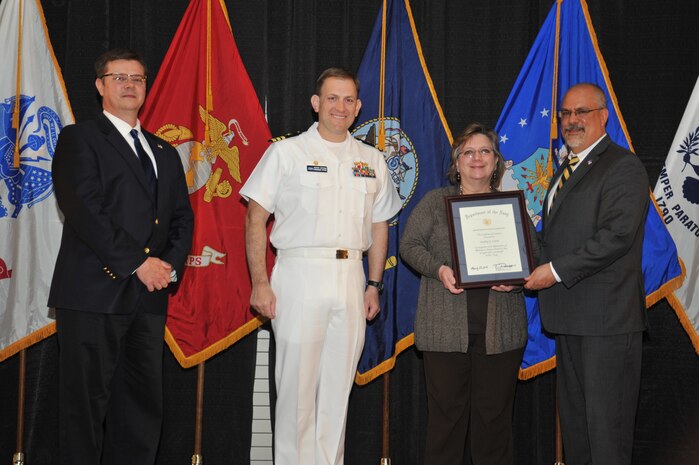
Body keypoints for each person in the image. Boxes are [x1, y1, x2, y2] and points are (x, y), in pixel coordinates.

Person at [240, 67, 401, 465]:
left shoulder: (372, 160)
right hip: (299, 273)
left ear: (359, 106)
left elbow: (379, 226)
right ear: (316, 103)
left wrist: (373, 284)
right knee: (296, 390)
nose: (340, 107)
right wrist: (260, 283)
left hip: (351, 277)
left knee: (336, 390)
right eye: (332, 98)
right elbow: (254, 218)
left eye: (348, 100)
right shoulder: (286, 152)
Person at [48, 48, 194, 465]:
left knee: (141, 412)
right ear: (100, 86)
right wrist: (139, 263)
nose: (130, 85)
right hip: (93, 295)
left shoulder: (164, 151)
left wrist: (166, 267)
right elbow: (85, 210)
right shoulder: (79, 138)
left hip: (148, 298)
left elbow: (182, 217)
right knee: (84, 411)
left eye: (138, 78)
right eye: (119, 78)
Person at [524, 83, 649, 465]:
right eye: (566, 113)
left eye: (582, 112)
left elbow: (616, 236)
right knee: (578, 432)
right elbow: (555, 237)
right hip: (570, 319)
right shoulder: (566, 168)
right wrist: (518, 266)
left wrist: (556, 271)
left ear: (603, 116)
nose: (572, 120)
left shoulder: (622, 165)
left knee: (606, 435)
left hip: (606, 323)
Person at [400, 122, 538, 465]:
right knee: (445, 423)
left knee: (494, 424)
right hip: (444, 330)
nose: (477, 158)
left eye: (485, 151)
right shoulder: (435, 202)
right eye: (468, 152)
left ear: (496, 162)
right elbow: (409, 245)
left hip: (500, 332)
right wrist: (439, 269)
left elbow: (534, 255)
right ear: (457, 162)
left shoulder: (513, 205)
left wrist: (518, 278)